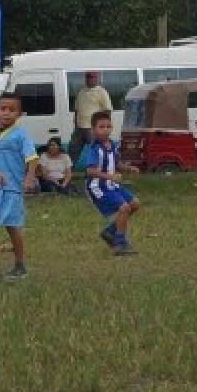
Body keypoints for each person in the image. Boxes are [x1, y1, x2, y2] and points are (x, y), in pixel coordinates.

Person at [0, 94, 37, 282]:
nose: (6, 113)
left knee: (12, 228)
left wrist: (29, 178)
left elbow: (32, 158)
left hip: (11, 189)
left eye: (11, 110)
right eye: (3, 109)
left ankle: (20, 265)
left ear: (19, 114)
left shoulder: (20, 136)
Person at [84, 110, 141, 257]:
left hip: (111, 185)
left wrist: (128, 168)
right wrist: (110, 176)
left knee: (134, 204)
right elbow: (90, 171)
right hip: (98, 186)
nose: (105, 130)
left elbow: (116, 164)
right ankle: (119, 244)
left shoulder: (113, 145)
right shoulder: (94, 149)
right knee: (124, 208)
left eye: (108, 126)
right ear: (93, 129)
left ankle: (110, 232)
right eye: (101, 127)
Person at [69, 71, 112, 169]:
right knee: (73, 149)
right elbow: (77, 110)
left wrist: (103, 127)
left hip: (92, 128)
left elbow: (107, 110)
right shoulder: (81, 91)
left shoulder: (101, 91)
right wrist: (75, 124)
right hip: (79, 128)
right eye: (88, 78)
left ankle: (98, 170)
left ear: (96, 79)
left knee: (94, 150)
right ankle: (68, 171)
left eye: (92, 78)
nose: (90, 79)